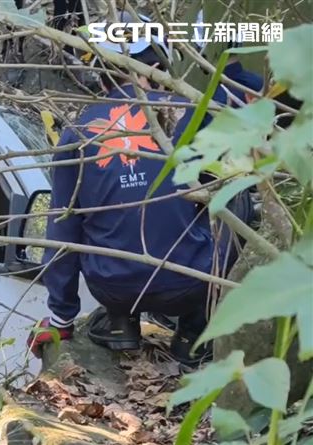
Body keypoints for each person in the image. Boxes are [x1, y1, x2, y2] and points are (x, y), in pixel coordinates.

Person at [27, 13, 249, 366]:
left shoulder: (78, 133)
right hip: (190, 282)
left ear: (100, 74)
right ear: (158, 67)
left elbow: (62, 232)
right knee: (238, 192)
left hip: (112, 287)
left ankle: (120, 323)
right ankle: (194, 333)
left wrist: (60, 319)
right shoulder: (189, 114)